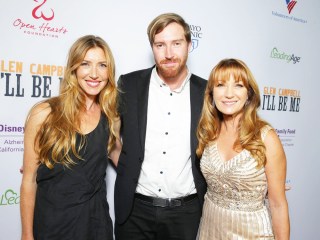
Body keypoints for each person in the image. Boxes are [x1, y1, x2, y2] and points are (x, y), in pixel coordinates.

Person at [114, 13, 207, 240]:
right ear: (152, 47)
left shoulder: (207, 92)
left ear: (189, 45)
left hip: (186, 214)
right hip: (135, 211)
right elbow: (108, 134)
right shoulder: (129, 84)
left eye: (176, 43)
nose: (168, 53)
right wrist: (127, 167)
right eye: (160, 45)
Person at [20, 35, 121, 240]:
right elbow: (29, 180)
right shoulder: (45, 113)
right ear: (74, 68)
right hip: (53, 225)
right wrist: (27, 235)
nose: (94, 73)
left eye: (102, 65)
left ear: (109, 71)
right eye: (85, 64)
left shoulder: (110, 117)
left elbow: (123, 161)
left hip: (96, 225)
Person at [196, 58, 290, 239]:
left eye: (238, 85)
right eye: (221, 85)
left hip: (251, 232)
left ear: (249, 94)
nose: (229, 94)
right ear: (211, 93)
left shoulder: (266, 137)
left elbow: (278, 204)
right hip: (210, 229)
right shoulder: (208, 132)